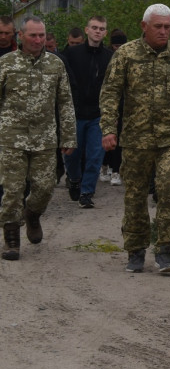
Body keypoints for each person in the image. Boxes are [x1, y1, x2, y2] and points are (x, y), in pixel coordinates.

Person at [100, 4, 170, 274]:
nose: (163, 31)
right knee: (135, 196)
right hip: (136, 138)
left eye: (167, 27)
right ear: (144, 26)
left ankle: (165, 249)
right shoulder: (126, 54)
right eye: (158, 26)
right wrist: (109, 129)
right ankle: (135, 250)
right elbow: (110, 92)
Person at [0, 17, 76, 261]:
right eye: (33, 35)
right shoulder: (5, 63)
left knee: (44, 187)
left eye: (42, 35)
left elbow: (65, 102)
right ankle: (11, 239)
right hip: (11, 137)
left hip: (44, 138)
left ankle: (32, 215)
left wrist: (69, 136)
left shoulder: (56, 65)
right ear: (20, 36)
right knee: (12, 190)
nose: (38, 40)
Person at [62, 15, 114, 209]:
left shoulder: (110, 57)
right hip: (75, 112)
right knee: (72, 154)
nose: (97, 31)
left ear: (105, 32)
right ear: (87, 30)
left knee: (94, 155)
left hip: (98, 114)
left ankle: (87, 192)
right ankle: (74, 179)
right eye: (94, 27)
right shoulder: (72, 54)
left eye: (101, 28)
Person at [102, 29, 127, 186]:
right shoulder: (106, 57)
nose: (118, 49)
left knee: (119, 139)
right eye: (115, 45)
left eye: (121, 45)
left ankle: (116, 170)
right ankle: (106, 166)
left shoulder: (129, 57)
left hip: (125, 103)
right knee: (108, 136)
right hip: (109, 102)